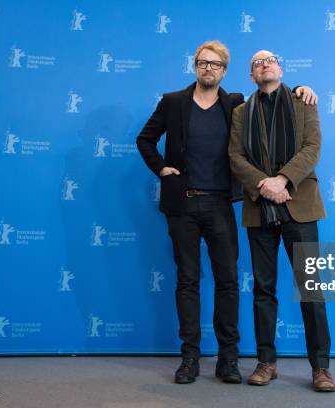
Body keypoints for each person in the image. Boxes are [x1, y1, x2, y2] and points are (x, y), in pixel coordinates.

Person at [136, 41, 317, 385]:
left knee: (228, 282)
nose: (209, 69)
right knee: (187, 281)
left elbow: (271, 95)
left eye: (216, 65)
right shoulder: (173, 102)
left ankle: (228, 360)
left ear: (225, 71)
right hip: (183, 205)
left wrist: (301, 89)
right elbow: (144, 140)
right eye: (204, 63)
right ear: (195, 66)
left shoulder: (233, 104)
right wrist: (161, 169)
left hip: (220, 204)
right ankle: (189, 359)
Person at [228, 50, 335, 392]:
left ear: (280, 67)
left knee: (310, 289)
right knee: (263, 289)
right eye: (256, 63)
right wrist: (265, 184)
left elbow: (312, 147)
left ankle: (320, 368)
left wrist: (283, 180)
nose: (264, 64)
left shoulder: (304, 101)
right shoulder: (241, 112)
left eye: (269, 60)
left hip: (299, 206)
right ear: (251, 76)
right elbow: (235, 156)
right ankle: (266, 362)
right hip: (260, 208)